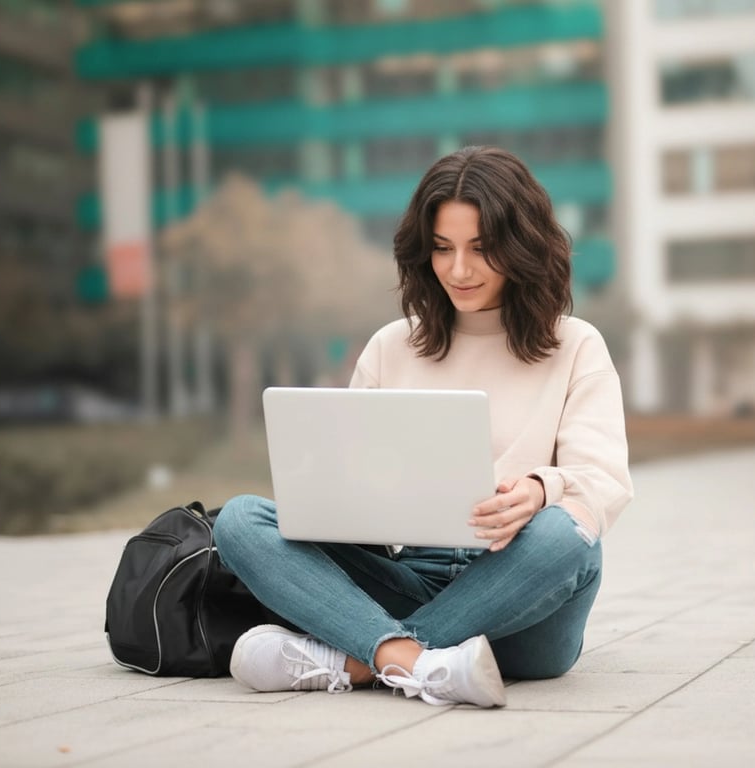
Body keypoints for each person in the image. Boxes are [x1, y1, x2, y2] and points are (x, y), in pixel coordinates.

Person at [214, 146, 634, 708]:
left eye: (480, 249)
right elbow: (347, 492)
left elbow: (604, 482)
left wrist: (540, 489)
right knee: (241, 520)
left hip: (524, 599)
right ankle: (419, 665)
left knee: (571, 535)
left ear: (522, 245)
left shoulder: (576, 344)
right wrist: (335, 497)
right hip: (409, 578)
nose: (458, 270)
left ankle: (364, 661)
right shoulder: (393, 346)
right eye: (442, 249)